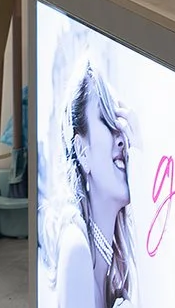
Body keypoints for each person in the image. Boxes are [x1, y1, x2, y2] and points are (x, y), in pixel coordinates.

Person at [61, 64, 134, 308]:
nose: (122, 137)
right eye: (107, 120)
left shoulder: (110, 272)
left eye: (121, 122)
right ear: (83, 151)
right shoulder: (77, 250)